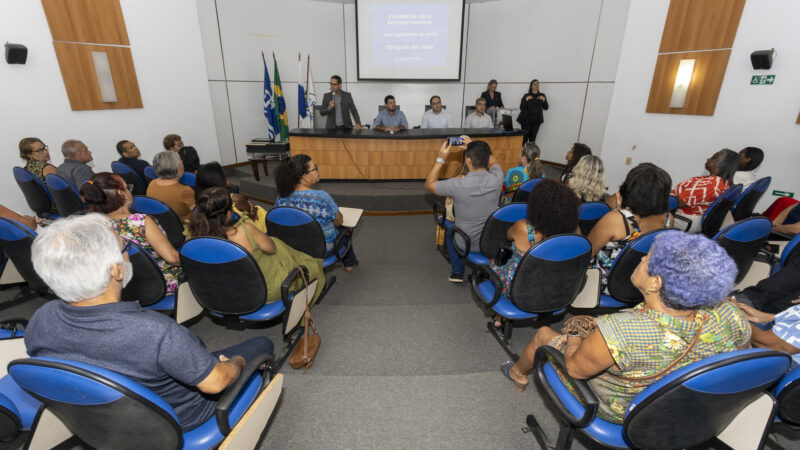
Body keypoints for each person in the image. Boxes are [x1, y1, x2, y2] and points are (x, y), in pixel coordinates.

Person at [25, 213, 274, 432]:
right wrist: (236, 363)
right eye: (126, 250)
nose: (128, 255)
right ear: (117, 271)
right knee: (261, 344)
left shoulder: (40, 319)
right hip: (180, 420)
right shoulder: (155, 331)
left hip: (105, 421)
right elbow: (215, 383)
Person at [501, 230, 750, 424]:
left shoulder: (620, 331)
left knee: (545, 334)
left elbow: (575, 369)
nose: (641, 257)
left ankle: (517, 373)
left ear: (655, 283)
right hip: (678, 407)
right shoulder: (729, 314)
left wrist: (575, 333)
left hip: (622, 409)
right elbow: (739, 360)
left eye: (647, 259)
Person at [189, 187, 325, 305]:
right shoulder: (244, 229)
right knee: (311, 267)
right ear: (229, 213)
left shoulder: (195, 237)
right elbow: (271, 249)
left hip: (227, 289)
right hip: (264, 290)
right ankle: (300, 318)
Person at [81, 172, 182, 295]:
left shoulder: (93, 225)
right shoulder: (141, 222)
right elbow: (172, 258)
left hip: (121, 286)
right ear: (120, 192)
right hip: (159, 285)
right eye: (127, 187)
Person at [425, 136, 504, 282]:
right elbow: (494, 162)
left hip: (467, 243)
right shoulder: (498, 177)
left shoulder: (457, 184)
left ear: (468, 160)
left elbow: (429, 184)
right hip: (492, 241)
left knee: (449, 228)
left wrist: (441, 158)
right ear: (487, 159)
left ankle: (457, 272)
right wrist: (474, 146)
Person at [589, 163, 673, 292]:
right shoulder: (669, 219)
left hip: (605, 287)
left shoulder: (617, 220)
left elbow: (587, 253)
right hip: (643, 286)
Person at [491, 180, 580, 298]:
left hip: (519, 290)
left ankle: (498, 314)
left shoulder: (524, 228)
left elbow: (508, 235)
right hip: (554, 288)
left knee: (492, 261)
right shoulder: (575, 231)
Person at [275, 155, 358, 271]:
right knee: (345, 230)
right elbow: (339, 221)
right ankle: (350, 264)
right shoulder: (321, 197)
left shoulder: (281, 196)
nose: (318, 171)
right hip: (321, 249)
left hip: (292, 247)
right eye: (315, 168)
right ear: (304, 176)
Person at [672, 149, 738, 233]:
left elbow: (678, 202)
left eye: (713, 157)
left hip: (683, 218)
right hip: (691, 216)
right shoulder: (722, 182)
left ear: (719, 164)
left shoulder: (711, 184)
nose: (708, 159)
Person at [196, 162, 267, 234]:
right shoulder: (235, 199)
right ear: (220, 181)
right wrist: (253, 211)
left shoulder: (198, 208)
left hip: (218, 238)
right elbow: (252, 216)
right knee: (261, 211)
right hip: (247, 234)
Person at [735, 301, 800, 364]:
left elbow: (767, 345)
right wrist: (765, 317)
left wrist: (733, 316)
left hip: (784, 360)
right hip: (773, 332)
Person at [147, 151, 195, 223]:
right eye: (180, 162)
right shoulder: (184, 191)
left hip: (162, 225)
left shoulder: (152, 183)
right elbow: (198, 213)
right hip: (184, 227)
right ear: (179, 168)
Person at [19, 137, 58, 214]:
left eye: (44, 148)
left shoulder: (28, 167)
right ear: (29, 155)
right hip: (58, 207)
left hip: (45, 208)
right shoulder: (47, 168)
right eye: (39, 151)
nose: (45, 152)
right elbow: (66, 189)